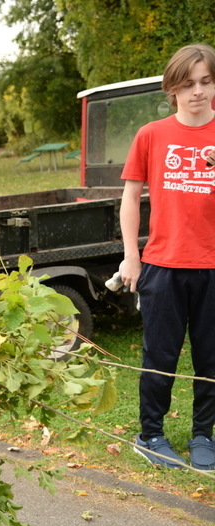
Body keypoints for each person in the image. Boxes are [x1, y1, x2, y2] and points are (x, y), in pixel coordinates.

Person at [120, 43, 215, 471]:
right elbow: (130, 199)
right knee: (160, 356)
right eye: (188, 83)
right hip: (163, 263)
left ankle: (203, 436)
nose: (198, 92)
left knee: (211, 359)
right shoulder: (151, 135)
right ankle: (150, 435)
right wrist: (131, 258)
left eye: (206, 82)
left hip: (212, 266)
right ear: (172, 88)